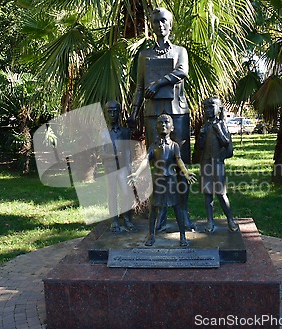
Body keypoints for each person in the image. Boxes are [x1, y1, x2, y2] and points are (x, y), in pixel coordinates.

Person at [129, 7, 194, 231]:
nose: (160, 25)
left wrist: (158, 83)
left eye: (164, 21)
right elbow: (139, 86)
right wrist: (134, 111)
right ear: (152, 25)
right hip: (152, 113)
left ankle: (183, 214)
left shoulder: (179, 51)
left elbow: (182, 71)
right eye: (156, 22)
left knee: (181, 163)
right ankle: (161, 217)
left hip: (177, 113)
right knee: (158, 165)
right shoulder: (144, 55)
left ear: (170, 24)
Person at [128, 114, 196, 247]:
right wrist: (136, 173)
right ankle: (151, 235)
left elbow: (179, 160)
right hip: (157, 181)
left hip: (171, 181)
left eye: (166, 122)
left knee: (177, 208)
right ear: (156, 127)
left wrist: (186, 172)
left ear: (172, 127)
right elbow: (146, 160)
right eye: (160, 122)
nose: (163, 124)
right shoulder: (153, 146)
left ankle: (182, 236)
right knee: (153, 208)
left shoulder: (174, 146)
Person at [198, 97, 239, 233]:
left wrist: (218, 130)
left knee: (221, 193)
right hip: (206, 163)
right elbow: (199, 147)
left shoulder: (221, 124)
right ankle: (210, 221)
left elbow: (226, 143)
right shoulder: (204, 126)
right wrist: (201, 136)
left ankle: (230, 219)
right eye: (205, 108)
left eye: (210, 107)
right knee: (208, 194)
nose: (207, 110)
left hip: (218, 164)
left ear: (218, 109)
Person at [100, 100, 136, 232]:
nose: (112, 114)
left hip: (122, 168)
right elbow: (102, 155)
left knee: (126, 193)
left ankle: (127, 219)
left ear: (119, 113)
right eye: (109, 111)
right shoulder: (103, 133)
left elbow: (128, 151)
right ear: (106, 113)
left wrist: (130, 168)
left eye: (115, 111)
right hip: (110, 169)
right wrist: (114, 156)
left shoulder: (125, 132)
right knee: (112, 195)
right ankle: (114, 221)